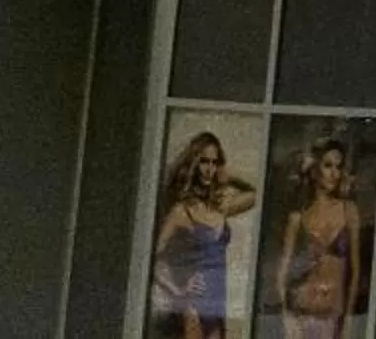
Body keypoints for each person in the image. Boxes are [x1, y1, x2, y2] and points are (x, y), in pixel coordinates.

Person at [149, 132, 258, 339]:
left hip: (217, 302)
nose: (210, 169)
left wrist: (229, 176)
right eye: (204, 162)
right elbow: (152, 257)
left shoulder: (220, 208)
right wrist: (177, 289)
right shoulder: (182, 211)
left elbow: (254, 194)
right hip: (195, 302)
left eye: (215, 163)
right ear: (194, 165)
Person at [275, 137, 364, 339]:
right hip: (303, 311)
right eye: (328, 166)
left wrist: (348, 319)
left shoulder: (349, 212)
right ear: (315, 168)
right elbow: (282, 272)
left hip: (333, 314)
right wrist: (287, 318)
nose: (334, 173)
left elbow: (355, 272)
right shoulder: (298, 217)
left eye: (338, 167)